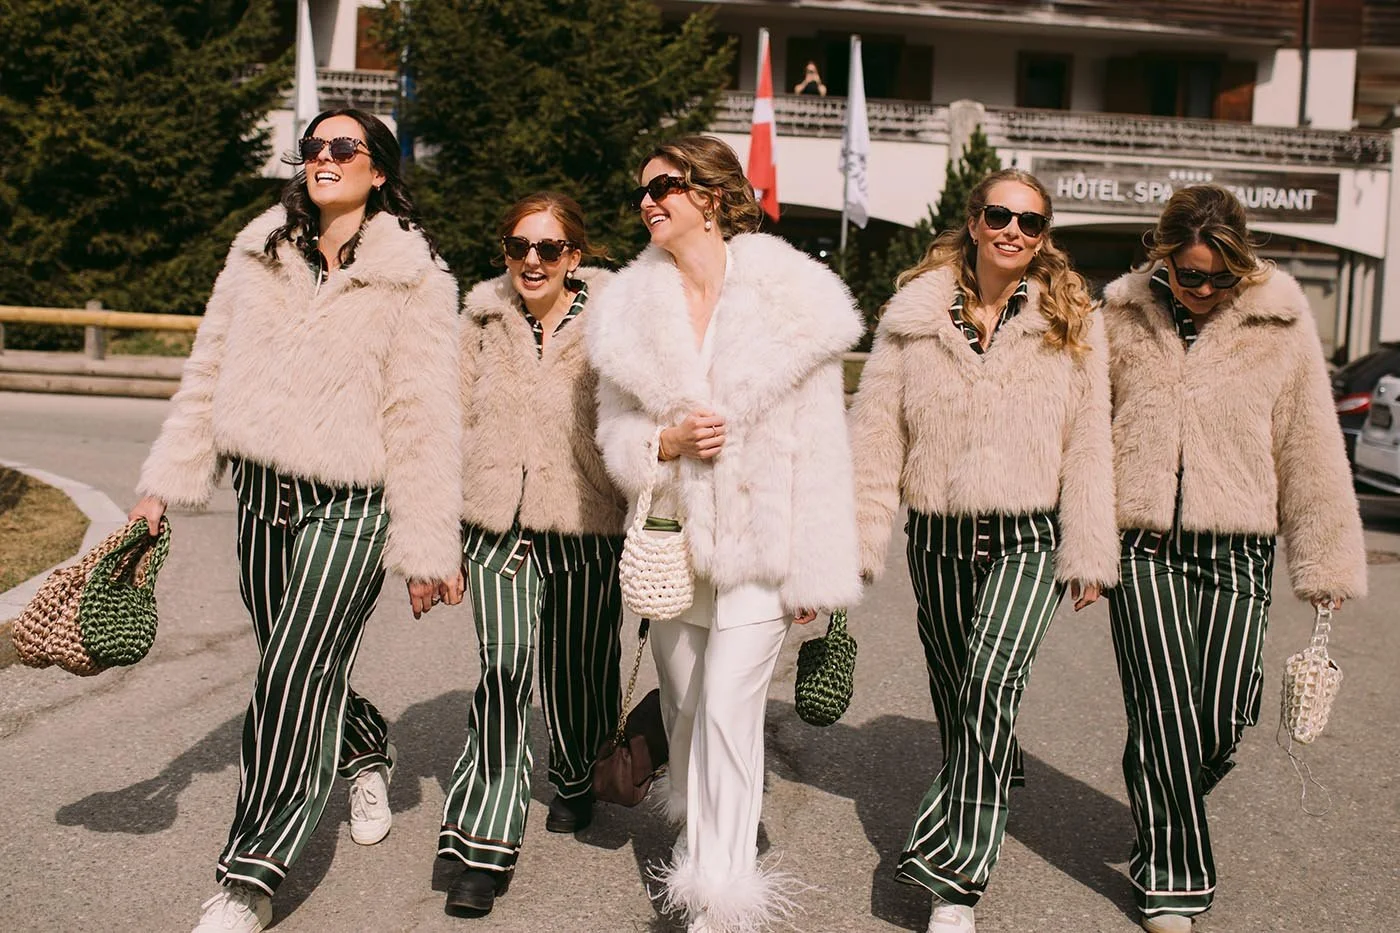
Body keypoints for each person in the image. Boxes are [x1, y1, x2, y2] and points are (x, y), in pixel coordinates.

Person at [130, 108, 464, 933]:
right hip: (262, 500)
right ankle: (365, 744)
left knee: (289, 678)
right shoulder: (257, 251)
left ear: (378, 171)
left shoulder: (416, 277)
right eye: (314, 146)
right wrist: (161, 485)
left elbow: (422, 415)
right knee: (295, 663)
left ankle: (249, 874)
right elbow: (208, 369)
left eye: (344, 147)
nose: (324, 156)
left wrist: (427, 543)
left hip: (350, 508)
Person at [588, 135, 862, 933]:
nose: (648, 202)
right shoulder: (628, 309)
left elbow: (822, 447)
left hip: (760, 548)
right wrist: (664, 443)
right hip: (673, 543)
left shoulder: (794, 299)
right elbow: (614, 434)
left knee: (727, 713)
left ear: (710, 195)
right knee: (683, 711)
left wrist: (816, 574)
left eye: (664, 187)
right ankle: (701, 833)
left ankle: (721, 893)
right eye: (641, 191)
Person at [850, 168, 1117, 933]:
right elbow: (877, 433)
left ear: (1043, 236)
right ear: (973, 222)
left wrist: (1089, 547)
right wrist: (855, 546)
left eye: (1030, 222)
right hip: (937, 535)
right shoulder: (914, 315)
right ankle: (989, 768)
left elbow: (1089, 439)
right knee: (957, 691)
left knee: (990, 682)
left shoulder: (1072, 319)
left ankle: (954, 877)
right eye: (1000, 215)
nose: (1012, 231)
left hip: (1027, 535)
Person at [1100, 184, 1366, 933]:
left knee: (1216, 719)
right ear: (1163, 257)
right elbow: (1086, 429)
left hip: (1239, 550)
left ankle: (1159, 786)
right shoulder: (1120, 315)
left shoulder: (1280, 320)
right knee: (1165, 707)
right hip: (1144, 545)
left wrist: (1324, 562)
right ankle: (1171, 881)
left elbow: (1309, 440)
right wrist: (1083, 538)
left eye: (1222, 276)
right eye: (1191, 274)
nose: (1205, 289)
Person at [437, 192, 626, 918]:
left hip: (586, 526)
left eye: (548, 248)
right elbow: (445, 423)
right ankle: (481, 845)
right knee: (505, 671)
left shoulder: (616, 321)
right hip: (497, 529)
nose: (532, 261)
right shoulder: (481, 321)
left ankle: (576, 774)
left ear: (573, 256)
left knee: (581, 671)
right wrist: (437, 539)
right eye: (519, 246)